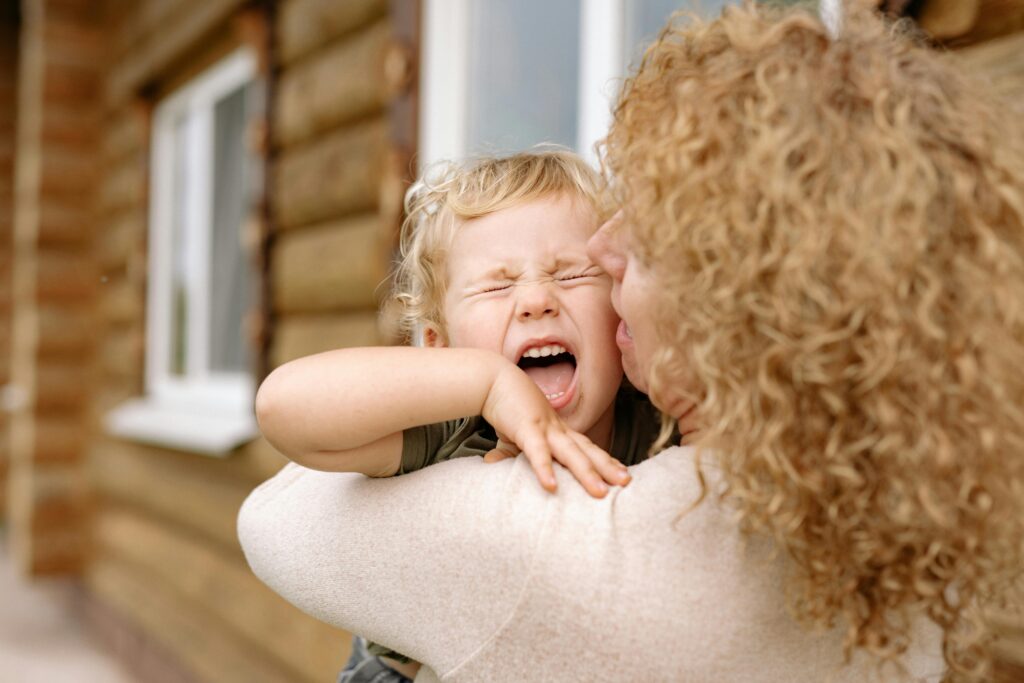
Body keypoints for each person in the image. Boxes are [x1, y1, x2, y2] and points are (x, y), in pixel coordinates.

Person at [239, 4, 1024, 682]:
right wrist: (473, 381)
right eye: (499, 284)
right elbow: (289, 402)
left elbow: (275, 517)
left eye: (642, 246)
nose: (597, 263)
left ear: (729, 302)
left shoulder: (570, 554)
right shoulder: (901, 502)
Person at [254, 150, 666, 681]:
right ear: (440, 346)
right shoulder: (449, 430)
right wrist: (487, 382)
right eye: (497, 285)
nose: (537, 300)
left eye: (572, 275)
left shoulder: (656, 425)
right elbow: (281, 405)